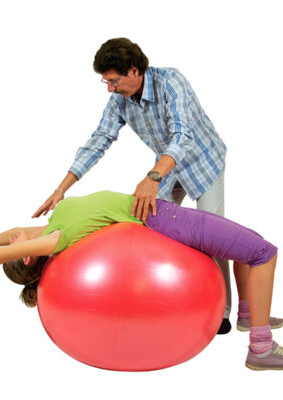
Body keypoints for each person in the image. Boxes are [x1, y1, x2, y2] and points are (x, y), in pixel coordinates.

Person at [0, 191, 283, 370]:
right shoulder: (56, 239)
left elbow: (6, 237)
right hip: (168, 221)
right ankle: (261, 348)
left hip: (162, 216)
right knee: (263, 252)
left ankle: (249, 316)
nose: (10, 237)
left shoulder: (51, 226)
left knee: (248, 247)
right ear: (25, 255)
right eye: (13, 245)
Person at [32, 38, 233, 333]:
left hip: (203, 161)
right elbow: (99, 140)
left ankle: (222, 312)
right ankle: (164, 297)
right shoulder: (120, 100)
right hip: (166, 168)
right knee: (150, 226)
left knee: (213, 236)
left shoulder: (171, 82)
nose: (110, 89)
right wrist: (61, 189)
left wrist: (152, 177)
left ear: (134, 70)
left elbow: (182, 136)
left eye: (113, 81)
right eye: (106, 82)